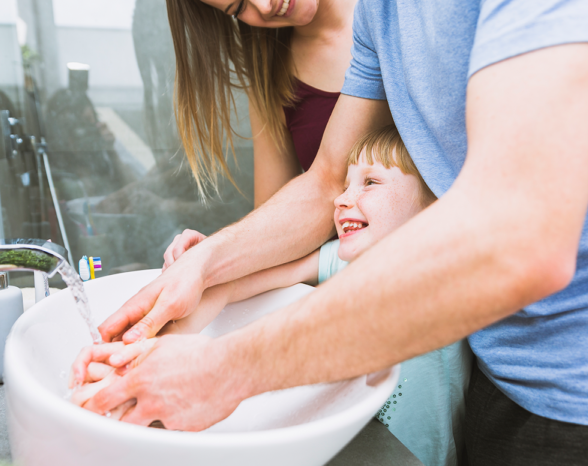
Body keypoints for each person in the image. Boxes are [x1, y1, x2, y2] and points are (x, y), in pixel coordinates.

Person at [80, 0, 588, 463]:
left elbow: (518, 235)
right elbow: (324, 182)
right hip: (499, 356)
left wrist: (226, 369)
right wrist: (205, 268)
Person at [72, 125, 470, 466]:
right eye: (346, 183)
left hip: (417, 454)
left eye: (370, 182)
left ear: (433, 202)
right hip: (358, 441)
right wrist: (203, 266)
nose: (342, 198)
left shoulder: (450, 272)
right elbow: (257, 278)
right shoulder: (340, 260)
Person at [158, 0, 361, 204]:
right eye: (239, 7)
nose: (264, 6)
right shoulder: (272, 79)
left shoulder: (411, 5)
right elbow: (273, 219)